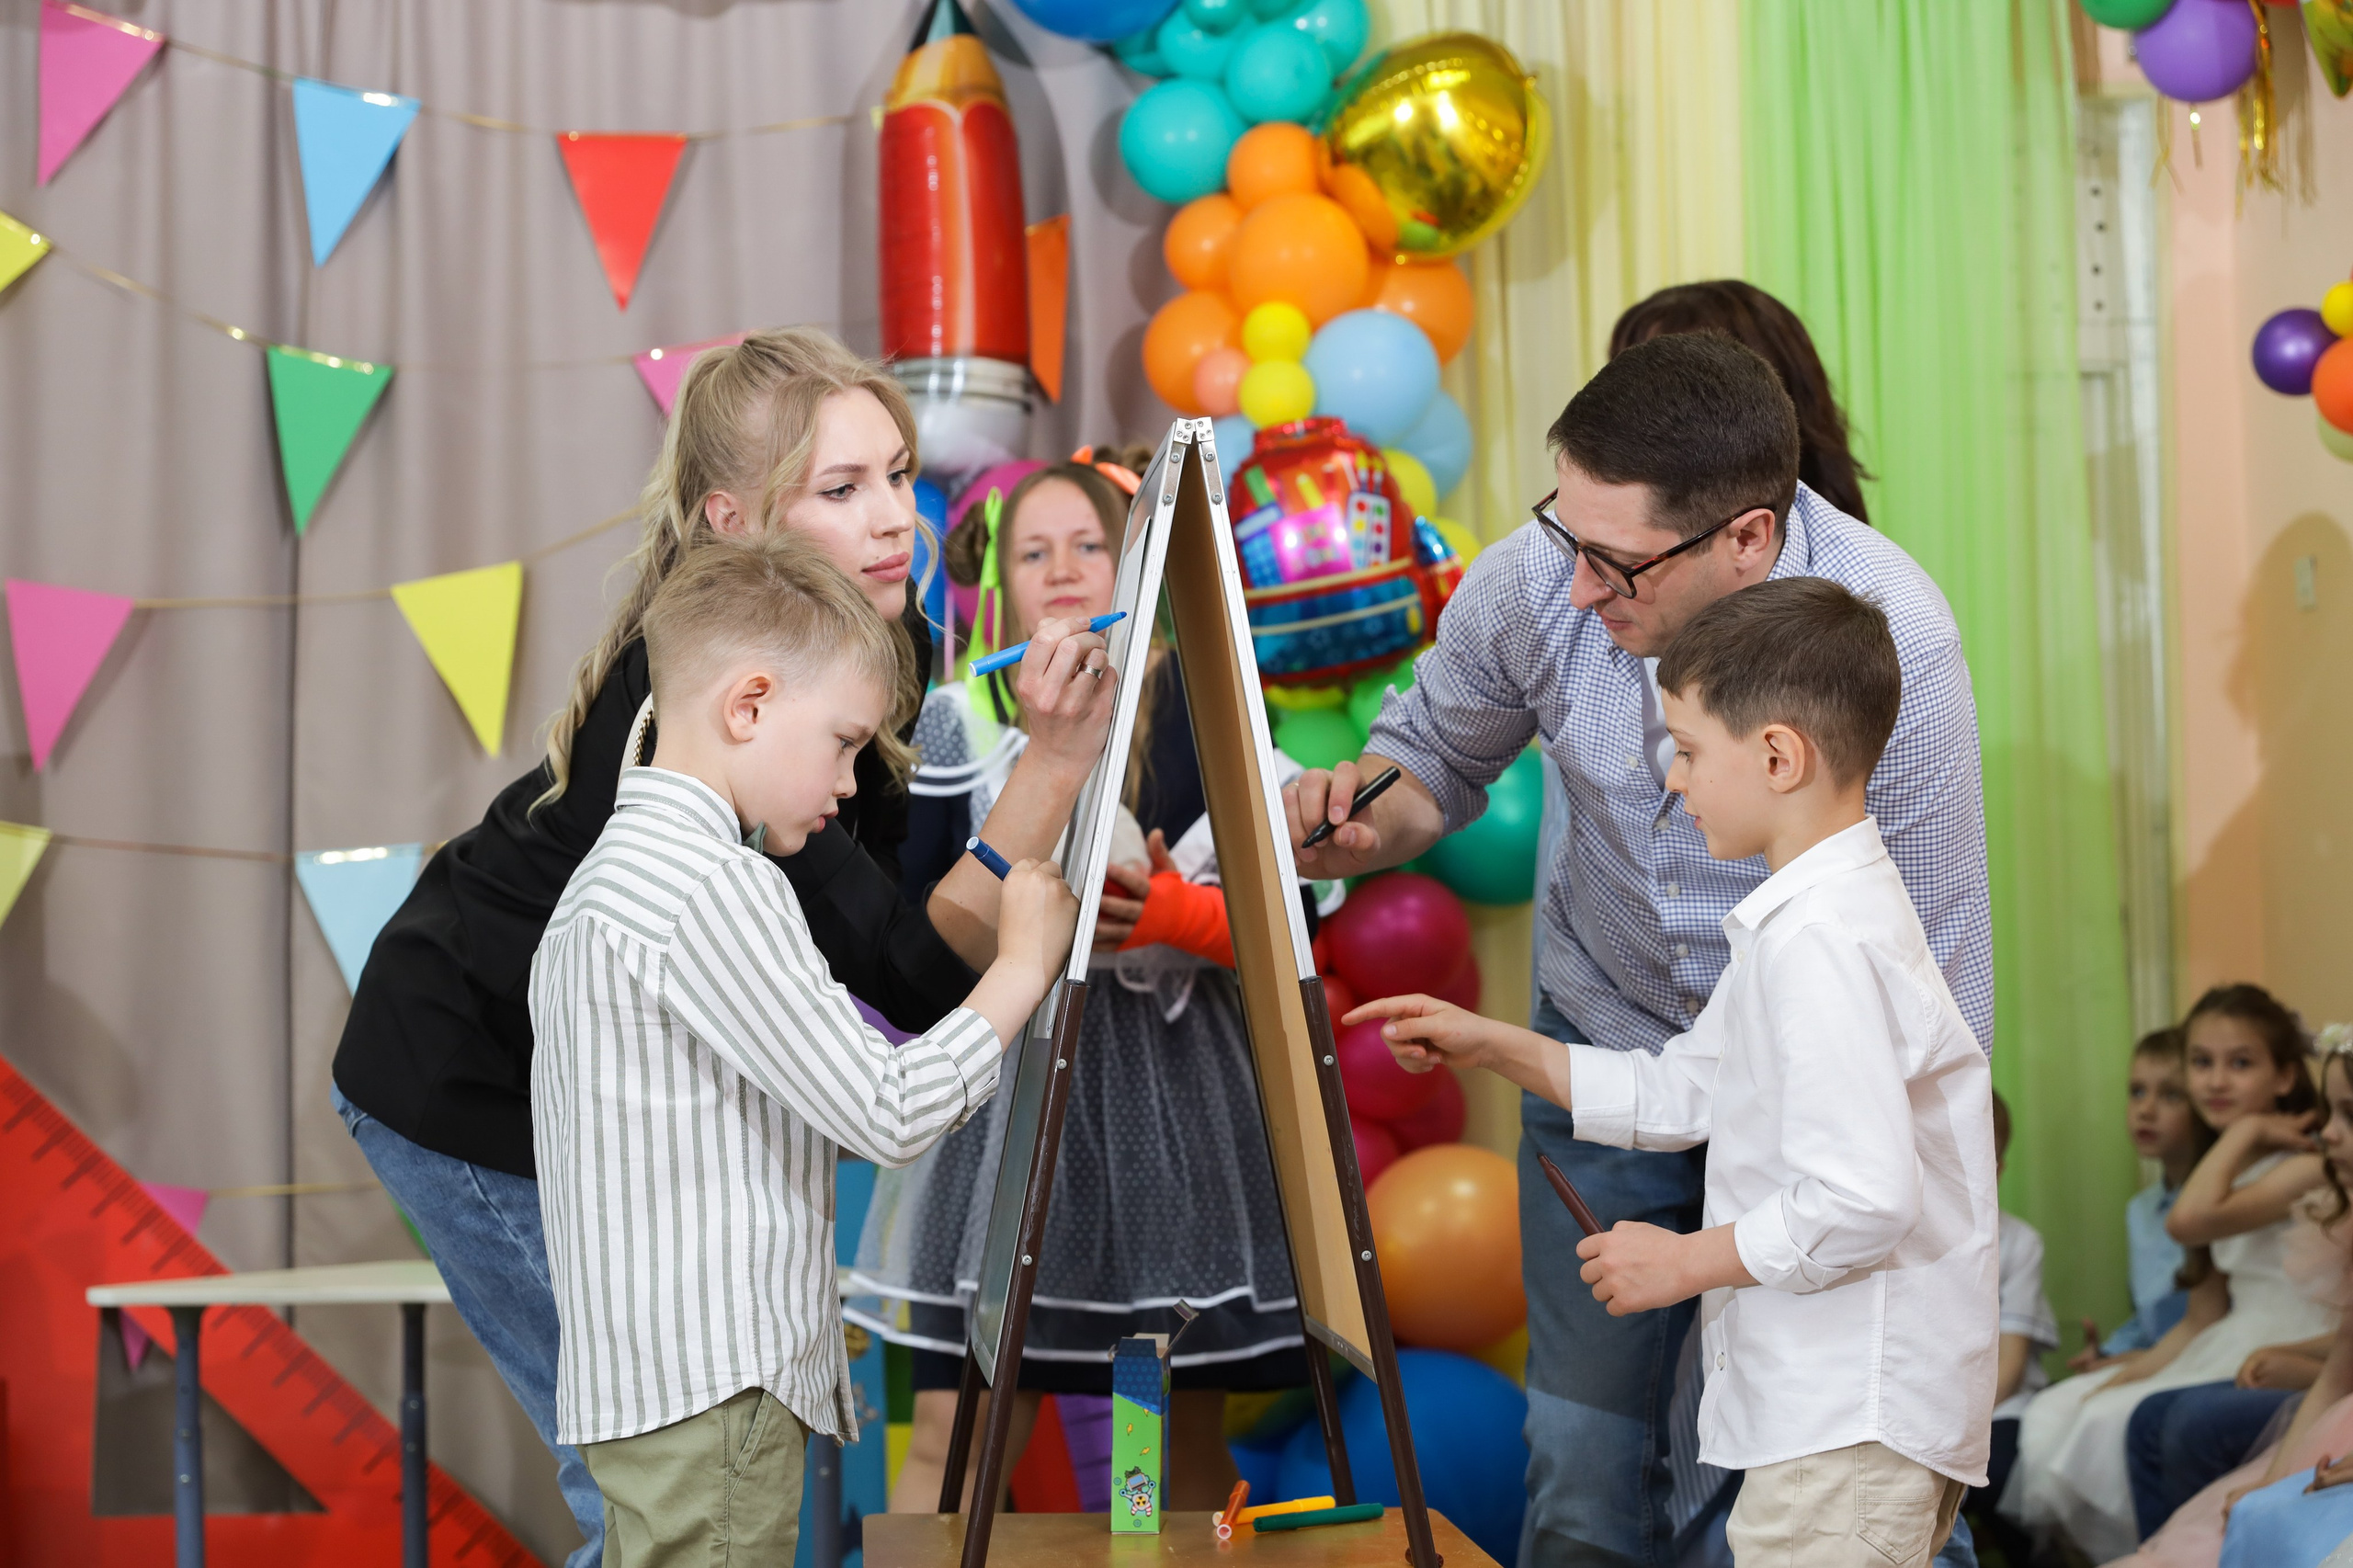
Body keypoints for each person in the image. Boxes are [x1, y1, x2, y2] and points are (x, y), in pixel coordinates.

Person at [328, 327, 1116, 1563]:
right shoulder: (705, 760)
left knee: (672, 1489)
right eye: (842, 489)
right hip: (462, 1074)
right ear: (733, 522)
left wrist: (1058, 762)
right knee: (637, 1482)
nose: (895, 519)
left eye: (900, 476)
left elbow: (898, 966)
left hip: (597, 1114)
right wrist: (1022, 952)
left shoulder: (847, 667)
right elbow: (895, 1050)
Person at [1286, 330, 1994, 1568]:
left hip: (1832, 1119)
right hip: (1614, 1022)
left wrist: (1701, 1258)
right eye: (1563, 534)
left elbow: (1901, 1068)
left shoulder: (1894, 660)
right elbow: (1434, 764)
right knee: (1587, 1468)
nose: (1573, 590)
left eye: (1616, 567)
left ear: (1748, 541)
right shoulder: (1540, 580)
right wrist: (1355, 832)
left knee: (1803, 1479)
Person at [529, 532, 1080, 1567]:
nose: (846, 782)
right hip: (712, 1386)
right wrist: (1020, 965)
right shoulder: (712, 886)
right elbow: (888, 1108)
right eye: (839, 740)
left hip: (650, 1382)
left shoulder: (614, 874)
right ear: (747, 704)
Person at [853, 449, 1329, 1514]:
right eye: (1034, 550)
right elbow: (914, 939)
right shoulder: (955, 722)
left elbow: (1292, 916)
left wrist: (1176, 913)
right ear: (1003, 584)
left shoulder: (1215, 715)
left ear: (1139, 564)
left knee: (1155, 1448)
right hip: (1002, 1109)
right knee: (957, 1430)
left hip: (1174, 1113)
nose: (1062, 568)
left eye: (1088, 545)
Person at [2006, 984, 2332, 1561]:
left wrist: (2246, 1132)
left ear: (2285, 1077)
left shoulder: (2304, 1163)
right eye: (2202, 1063)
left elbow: (2187, 1221)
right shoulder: (2224, 1167)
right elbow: (2202, 1315)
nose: (2215, 1081)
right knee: (2074, 1407)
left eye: (2240, 1064)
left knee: (2157, 1421)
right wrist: (2125, 1374)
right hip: (2227, 1336)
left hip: (2287, 1338)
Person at [2108, 1027, 2353, 1568]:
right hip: (2307, 1377)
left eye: (2349, 1116)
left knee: (2193, 1422)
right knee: (2160, 1426)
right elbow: (2341, 1363)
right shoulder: (2340, 1194)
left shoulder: (2310, 1171)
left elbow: (2189, 1221)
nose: (2328, 1135)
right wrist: (2272, 1480)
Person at [2071, 1029, 2211, 1375]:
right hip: (2151, 1359)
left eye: (2171, 1095)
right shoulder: (2140, 1210)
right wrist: (2106, 1352)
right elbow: (2147, 1319)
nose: (2145, 1110)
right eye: (2137, 1092)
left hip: (2201, 1358)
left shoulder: (2217, 1203)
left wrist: (2135, 1362)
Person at [1968, 1090, 2062, 1565]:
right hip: (1928, 1408)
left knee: (1993, 1473)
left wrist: (1960, 1419)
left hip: (2000, 1406)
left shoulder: (2020, 1243)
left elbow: (2011, 1365)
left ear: (1996, 1170)